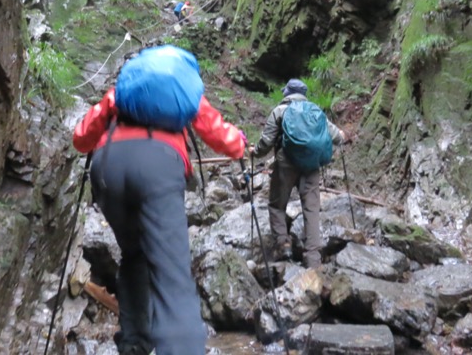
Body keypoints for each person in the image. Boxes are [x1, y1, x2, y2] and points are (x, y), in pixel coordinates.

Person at [72, 47, 245, 355]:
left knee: (134, 254)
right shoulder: (181, 88)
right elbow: (215, 131)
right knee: (170, 268)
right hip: (157, 164)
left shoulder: (123, 91)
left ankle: (134, 342)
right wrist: (240, 146)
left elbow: (82, 137)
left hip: (108, 167)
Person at [249, 78, 344, 268]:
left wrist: (254, 152)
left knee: (277, 205)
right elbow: (338, 137)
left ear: (287, 93)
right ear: (304, 95)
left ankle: (284, 244)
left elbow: (267, 142)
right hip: (311, 165)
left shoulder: (280, 111)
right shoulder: (316, 113)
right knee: (311, 209)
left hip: (286, 164)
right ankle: (313, 259)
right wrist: (342, 134)